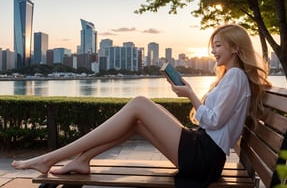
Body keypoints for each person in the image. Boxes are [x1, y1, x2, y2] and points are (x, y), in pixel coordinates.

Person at [12, 24, 271, 187]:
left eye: (218, 46)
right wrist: (193, 99)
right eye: (212, 46)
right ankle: (82, 160)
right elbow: (211, 122)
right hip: (203, 152)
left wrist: (191, 94)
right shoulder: (231, 76)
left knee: (139, 103)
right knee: (136, 121)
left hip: (204, 158)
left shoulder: (235, 76)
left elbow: (213, 121)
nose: (213, 52)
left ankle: (48, 158)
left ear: (236, 48)